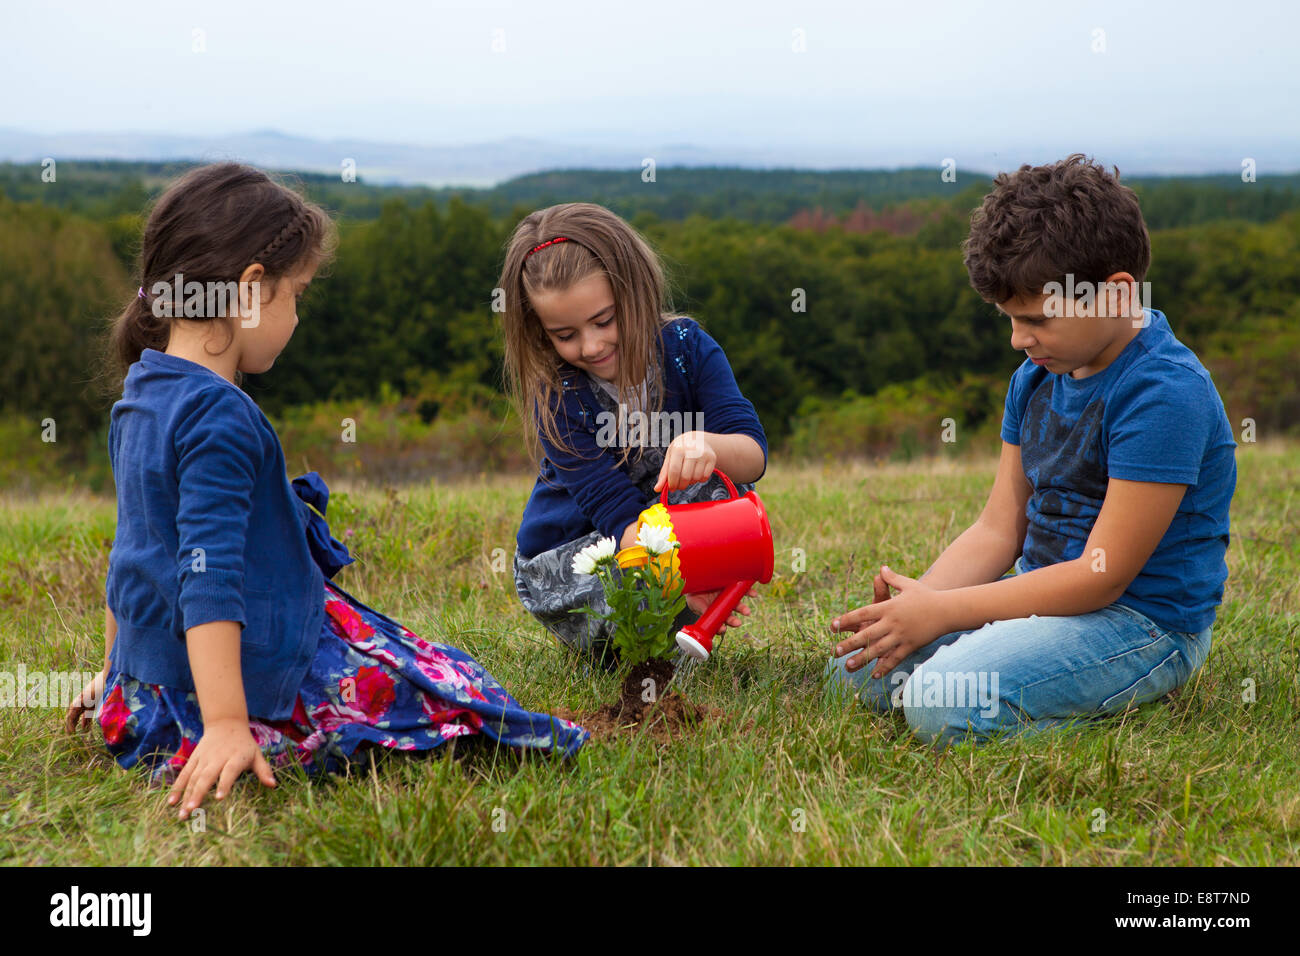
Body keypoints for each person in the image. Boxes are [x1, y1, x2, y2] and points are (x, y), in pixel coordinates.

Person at [64, 163, 587, 820]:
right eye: (298, 295)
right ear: (252, 291)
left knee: (427, 664)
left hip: (150, 699)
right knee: (459, 689)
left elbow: (132, 554)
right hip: (239, 683)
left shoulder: (142, 393)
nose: (298, 317)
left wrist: (119, 675)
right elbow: (208, 579)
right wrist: (228, 724)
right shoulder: (218, 416)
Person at [824, 154, 1237, 747]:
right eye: (1009, 320)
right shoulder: (1038, 374)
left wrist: (945, 615)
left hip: (1138, 621)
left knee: (940, 705)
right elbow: (998, 530)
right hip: (1040, 591)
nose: (1019, 339)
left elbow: (1102, 578)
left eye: (1037, 318)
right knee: (853, 677)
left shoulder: (1166, 393)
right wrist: (918, 607)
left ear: (1116, 296)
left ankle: (1136, 692)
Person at [499, 203, 768, 663]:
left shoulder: (687, 349)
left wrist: (706, 443)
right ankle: (644, 641)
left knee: (724, 491)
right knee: (653, 552)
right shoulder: (557, 396)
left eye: (604, 321)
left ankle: (674, 633)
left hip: (659, 542)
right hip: (574, 562)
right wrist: (685, 574)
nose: (591, 345)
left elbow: (753, 455)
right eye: (565, 334)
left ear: (637, 292)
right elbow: (618, 518)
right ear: (541, 332)